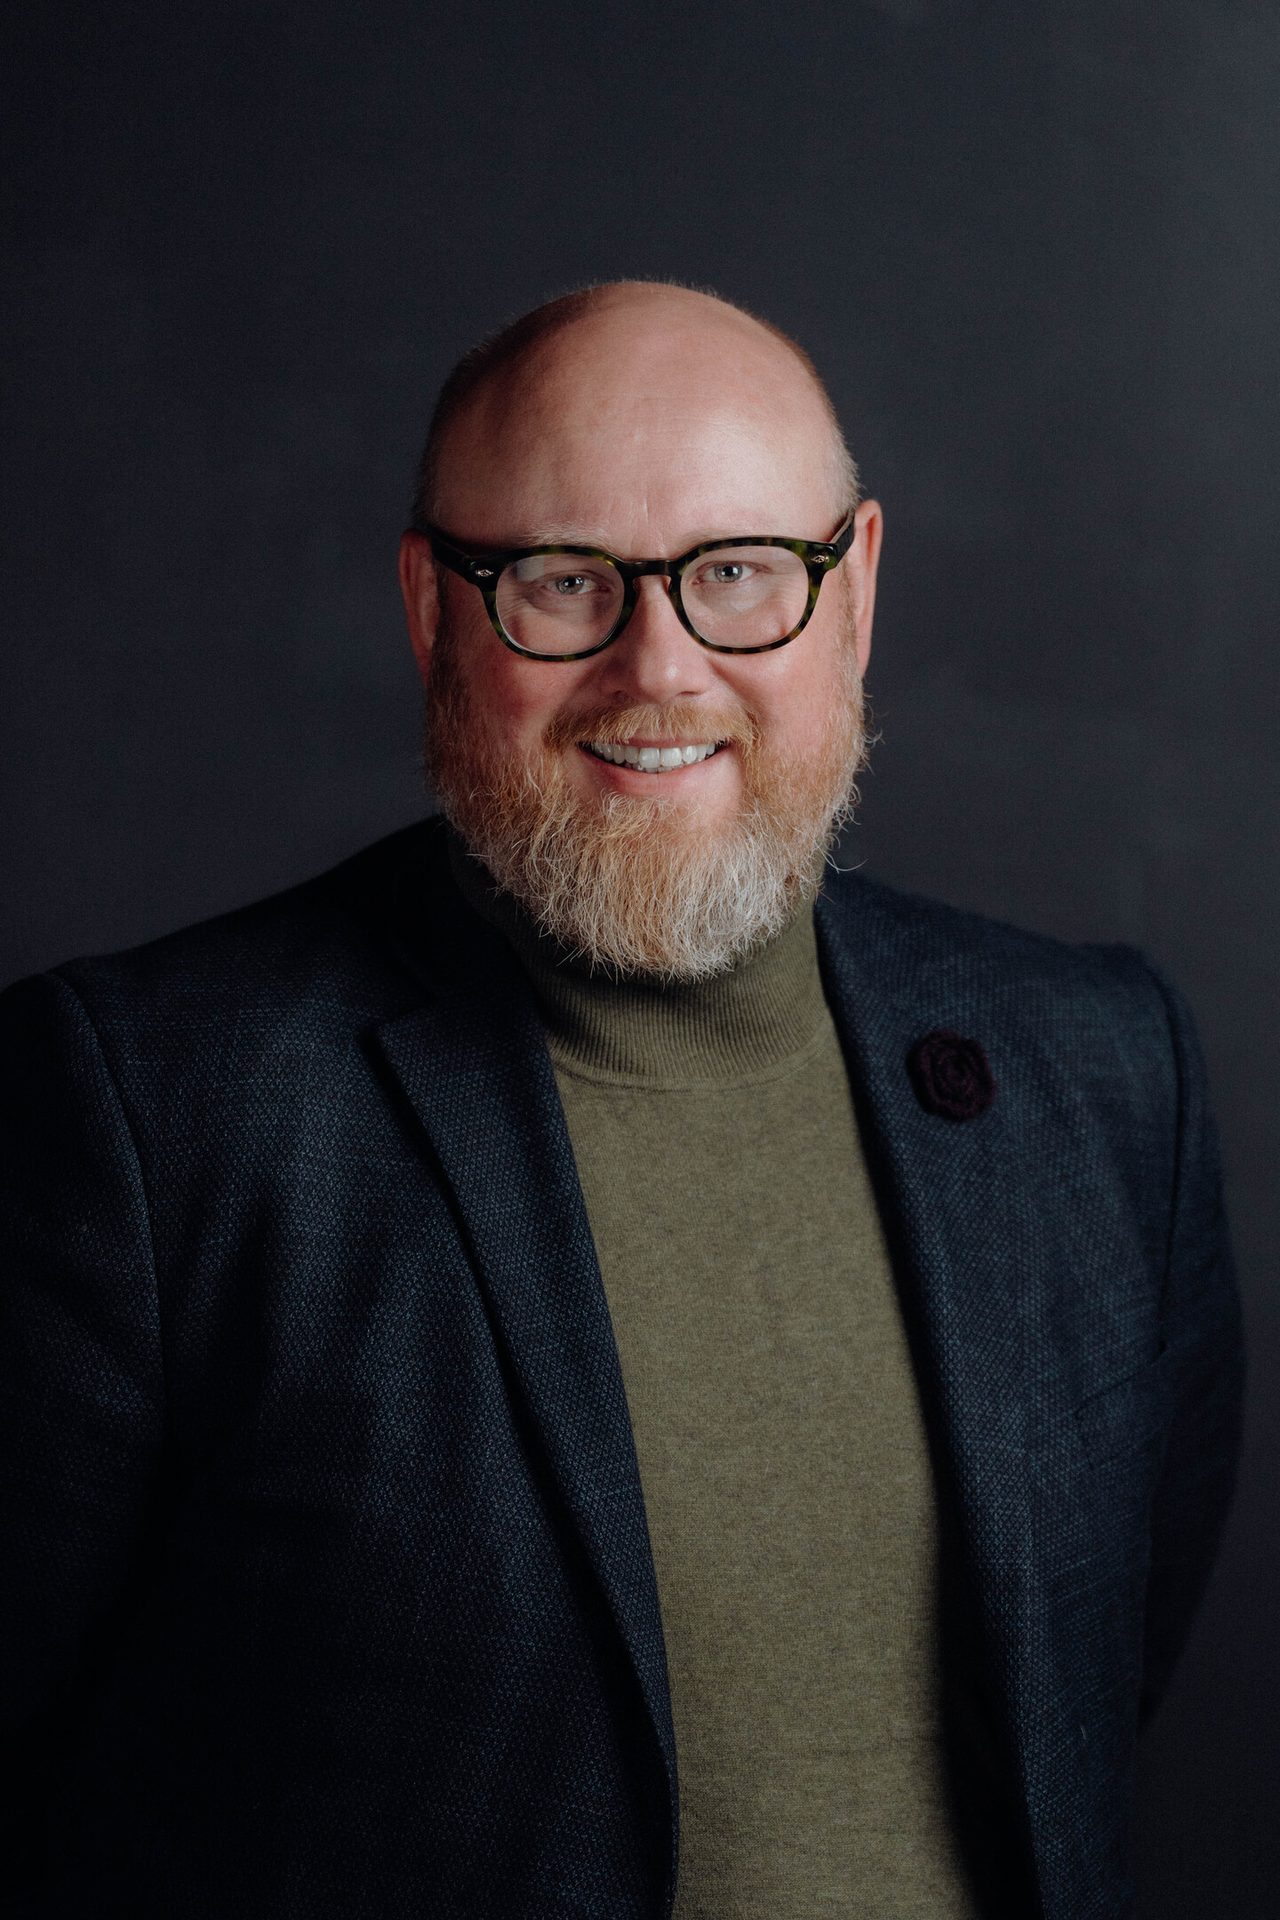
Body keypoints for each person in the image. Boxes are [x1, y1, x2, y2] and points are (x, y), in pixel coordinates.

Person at [0, 281, 1244, 1920]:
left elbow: (1098, 1682)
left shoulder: (1105, 1073)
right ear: (430, 608)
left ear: (855, 591)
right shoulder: (152, 1116)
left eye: (740, 575)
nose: (659, 669)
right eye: (563, 581)